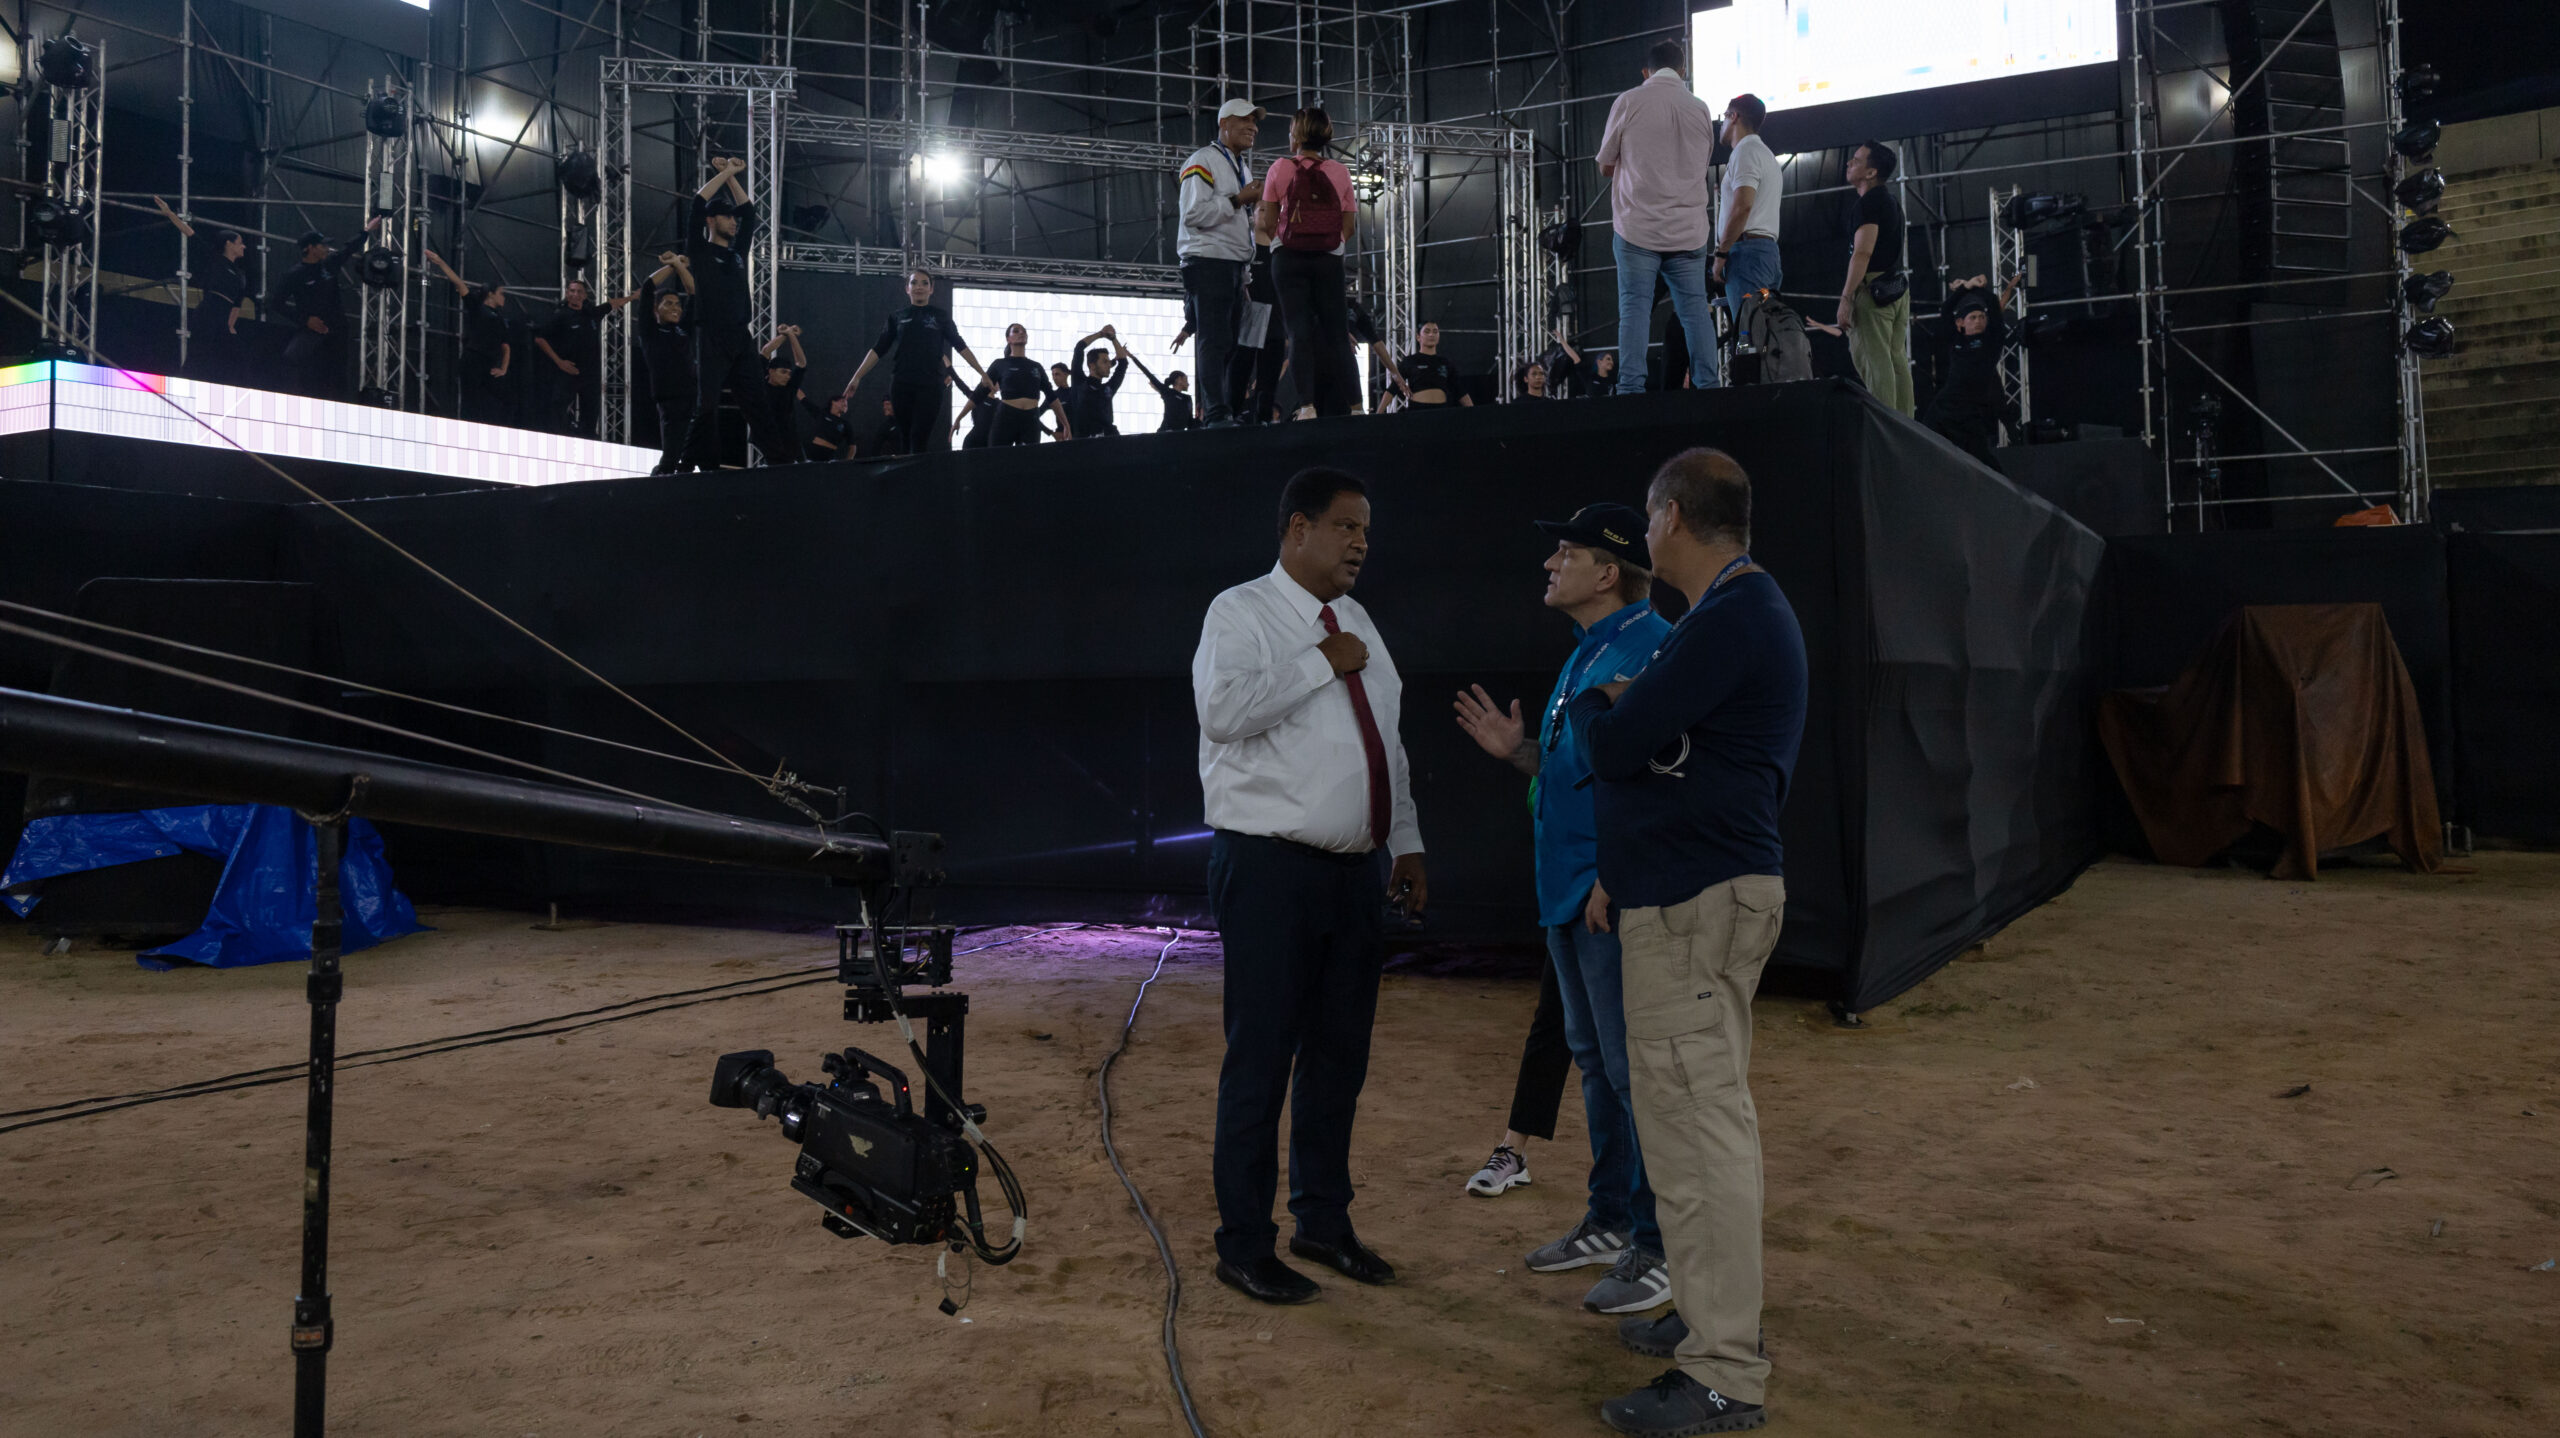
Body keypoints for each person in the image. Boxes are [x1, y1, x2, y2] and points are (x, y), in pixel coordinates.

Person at [1568, 448, 1806, 1436]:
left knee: (1700, 1137)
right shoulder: (1735, 614)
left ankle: (1724, 1378)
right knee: (1689, 1128)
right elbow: (1653, 749)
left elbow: (1617, 746)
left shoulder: (1733, 616)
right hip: (1688, 892)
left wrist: (1599, 705)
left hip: (1695, 901)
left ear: (1666, 517)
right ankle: (1708, 1325)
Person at [1194, 466, 1427, 1306]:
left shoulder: (1359, 619)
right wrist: (1320, 663)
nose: (1361, 543)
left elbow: (1386, 740)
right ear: (1298, 529)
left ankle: (1322, 1223)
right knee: (1261, 1058)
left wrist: (1405, 842)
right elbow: (1222, 713)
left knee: (1339, 1059)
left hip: (1354, 875)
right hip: (1268, 871)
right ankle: (1243, 1244)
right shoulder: (1241, 612)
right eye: (1346, 527)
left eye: (1366, 530)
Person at [1455, 502, 1676, 1317]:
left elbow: (1656, 785)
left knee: (1631, 1073)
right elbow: (1578, 776)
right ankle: (1610, 1219)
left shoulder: (1651, 649)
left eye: (1566, 554)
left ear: (1608, 572)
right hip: (1567, 896)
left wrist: (1615, 872)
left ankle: (1654, 1246)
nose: (1551, 566)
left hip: (1608, 897)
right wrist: (1517, 753)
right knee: (1595, 1065)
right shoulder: (1588, 654)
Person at [1597, 40, 1720, 394]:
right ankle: (1708, 386)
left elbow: (1606, 165)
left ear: (1645, 72)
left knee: (1635, 309)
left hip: (1638, 228)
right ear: (1683, 70)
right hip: (1688, 230)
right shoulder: (1699, 108)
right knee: (1695, 311)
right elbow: (1702, 164)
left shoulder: (1630, 100)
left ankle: (1631, 389)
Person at [684, 156, 792, 468]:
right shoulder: (699, 250)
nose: (733, 222)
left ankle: (779, 461)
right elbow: (697, 202)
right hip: (712, 335)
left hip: (740, 337)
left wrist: (730, 177)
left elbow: (749, 212)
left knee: (756, 401)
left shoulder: (736, 253)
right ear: (711, 221)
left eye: (732, 218)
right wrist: (727, 171)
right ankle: (684, 465)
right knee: (707, 405)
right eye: (725, 217)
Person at [1256, 107, 1360, 419]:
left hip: (1288, 261)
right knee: (1338, 335)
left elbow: (1268, 222)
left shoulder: (1279, 168)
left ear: (1298, 136)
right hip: (1328, 261)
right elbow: (1349, 226)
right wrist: (1330, 246)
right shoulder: (1340, 172)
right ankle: (1356, 407)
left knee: (1298, 333)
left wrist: (1287, 242)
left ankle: (1307, 407)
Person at [1179, 99, 1266, 426]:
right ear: (1224, 123)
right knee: (1214, 341)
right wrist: (1238, 199)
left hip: (1232, 267)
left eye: (1255, 123)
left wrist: (1244, 277)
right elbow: (1193, 215)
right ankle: (1215, 413)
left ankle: (1225, 409)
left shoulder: (1240, 166)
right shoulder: (1203, 160)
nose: (1253, 128)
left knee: (1230, 343)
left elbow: (1241, 224)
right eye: (1246, 121)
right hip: (1207, 262)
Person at [843, 267, 987, 457]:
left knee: (919, 438)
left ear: (931, 289)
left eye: (924, 283)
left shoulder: (940, 316)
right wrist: (856, 377)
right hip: (902, 383)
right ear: (907, 289)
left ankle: (918, 482)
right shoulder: (897, 317)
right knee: (904, 437)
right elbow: (878, 349)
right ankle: (905, 483)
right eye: (914, 283)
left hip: (930, 385)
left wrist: (982, 373)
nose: (919, 287)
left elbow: (960, 346)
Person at [1840, 140, 1914, 416]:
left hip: (1872, 291)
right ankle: (1907, 428)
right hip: (1895, 290)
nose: (1849, 163)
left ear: (1871, 173)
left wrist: (1846, 298)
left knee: (1875, 362)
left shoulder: (1869, 203)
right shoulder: (1891, 202)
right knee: (1896, 361)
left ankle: (1885, 428)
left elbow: (1862, 253)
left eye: (1856, 160)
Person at [268, 218, 379, 399]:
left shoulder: (329, 265)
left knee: (338, 372)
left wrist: (366, 230)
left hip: (337, 328)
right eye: (322, 245)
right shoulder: (294, 274)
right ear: (310, 248)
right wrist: (305, 320)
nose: (326, 248)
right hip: (312, 329)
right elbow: (276, 304)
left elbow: (349, 248)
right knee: (298, 363)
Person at [1920, 273, 2021, 468]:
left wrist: (1975, 288)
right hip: (1945, 406)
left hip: (1970, 412)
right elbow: (1946, 309)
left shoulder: (1991, 341)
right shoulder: (1956, 341)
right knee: (1922, 439)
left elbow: (1992, 303)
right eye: (1972, 317)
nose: (1978, 321)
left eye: (1982, 317)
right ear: (1960, 323)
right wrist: (1965, 288)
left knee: (1983, 461)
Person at [150, 196, 251, 384]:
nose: (243, 246)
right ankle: (183, 383)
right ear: (228, 244)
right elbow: (190, 233)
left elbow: (238, 301)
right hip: (210, 309)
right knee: (198, 352)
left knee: (233, 357)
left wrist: (231, 324)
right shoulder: (215, 259)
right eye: (240, 242)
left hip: (224, 315)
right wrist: (170, 213)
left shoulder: (240, 273)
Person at [1713, 94, 1785, 329]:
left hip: (1747, 255)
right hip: (1765, 254)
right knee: (1764, 335)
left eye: (1724, 117)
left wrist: (1721, 255)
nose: (1722, 124)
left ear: (1734, 117)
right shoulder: (1767, 155)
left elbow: (1743, 206)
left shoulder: (1745, 152)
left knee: (1749, 337)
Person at [422, 248, 513, 425]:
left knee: (506, 398)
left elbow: (506, 346)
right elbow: (459, 283)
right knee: (470, 402)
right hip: (473, 360)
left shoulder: (501, 319)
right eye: (501, 293)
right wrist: (440, 262)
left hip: (489, 364)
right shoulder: (477, 307)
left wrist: (503, 369)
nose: (504, 297)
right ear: (491, 294)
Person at [531, 278, 628, 438]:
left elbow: (613, 303)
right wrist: (559, 362)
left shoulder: (591, 314)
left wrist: (634, 297)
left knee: (590, 413)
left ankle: (588, 442)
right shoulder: (560, 315)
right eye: (572, 291)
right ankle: (558, 440)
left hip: (590, 374)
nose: (575, 294)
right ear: (567, 293)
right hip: (568, 370)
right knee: (557, 408)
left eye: (579, 291)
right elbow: (539, 338)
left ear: (585, 295)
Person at [636, 256, 699, 475]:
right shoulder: (650, 331)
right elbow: (647, 287)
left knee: (692, 455)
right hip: (670, 400)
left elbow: (693, 292)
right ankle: (658, 487)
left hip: (692, 398)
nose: (676, 308)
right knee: (671, 456)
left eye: (677, 304)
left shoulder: (683, 330)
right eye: (668, 303)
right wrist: (672, 265)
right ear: (656, 309)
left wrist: (681, 266)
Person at [983, 323, 1069, 445]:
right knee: (998, 459)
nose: (1021, 333)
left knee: (1029, 460)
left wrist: (1066, 424)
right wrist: (959, 418)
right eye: (1016, 331)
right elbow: (978, 394)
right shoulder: (1000, 364)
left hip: (1030, 419)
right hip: (1006, 416)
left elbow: (1051, 397)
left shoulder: (1036, 367)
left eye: (1024, 331)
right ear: (1008, 339)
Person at [1063, 326, 1130, 439]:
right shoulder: (1080, 382)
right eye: (1105, 362)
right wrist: (1100, 334)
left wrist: (1113, 338)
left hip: (1109, 441)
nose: (1109, 365)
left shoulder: (1108, 388)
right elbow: (1079, 348)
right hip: (1084, 443)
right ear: (1092, 365)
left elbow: (1123, 363)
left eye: (1109, 362)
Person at [756, 325, 809, 464]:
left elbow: (801, 363)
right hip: (768, 437)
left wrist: (791, 335)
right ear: (771, 371)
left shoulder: (789, 387)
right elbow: (765, 351)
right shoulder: (761, 382)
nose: (787, 376)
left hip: (790, 438)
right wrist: (786, 334)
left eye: (789, 373)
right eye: (783, 372)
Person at [1397, 320, 1469, 410]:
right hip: (1418, 411)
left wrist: (1473, 413)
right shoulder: (1410, 361)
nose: (1431, 335)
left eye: (1435, 331)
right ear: (1418, 337)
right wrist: (1378, 415)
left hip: (1441, 411)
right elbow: (1393, 388)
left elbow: (1460, 391)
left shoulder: (1445, 362)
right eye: (1427, 332)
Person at [806, 392, 858, 460]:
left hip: (829, 457)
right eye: (842, 401)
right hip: (812, 455)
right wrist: (792, 386)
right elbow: (804, 399)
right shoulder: (822, 414)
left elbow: (853, 446)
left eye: (846, 405)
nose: (845, 404)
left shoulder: (845, 424)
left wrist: (847, 463)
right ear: (833, 402)